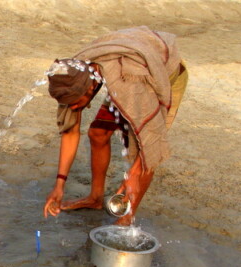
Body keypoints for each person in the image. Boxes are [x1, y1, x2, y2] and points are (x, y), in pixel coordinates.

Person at [43, 26, 188, 225]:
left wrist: (133, 174)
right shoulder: (72, 74)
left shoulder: (129, 83)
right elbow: (69, 132)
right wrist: (59, 185)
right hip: (134, 58)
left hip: (163, 72)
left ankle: (127, 219)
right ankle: (95, 198)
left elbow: (151, 138)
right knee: (97, 133)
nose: (74, 107)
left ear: (91, 87)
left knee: (142, 154)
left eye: (77, 103)